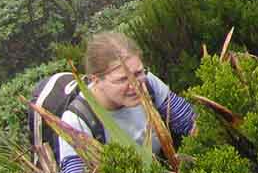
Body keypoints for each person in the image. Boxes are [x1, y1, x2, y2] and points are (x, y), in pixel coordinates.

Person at [56, 32, 196, 173]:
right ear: (96, 80)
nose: (134, 85)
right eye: (123, 79)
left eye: (138, 73)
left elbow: (191, 124)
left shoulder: (148, 84)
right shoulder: (77, 121)